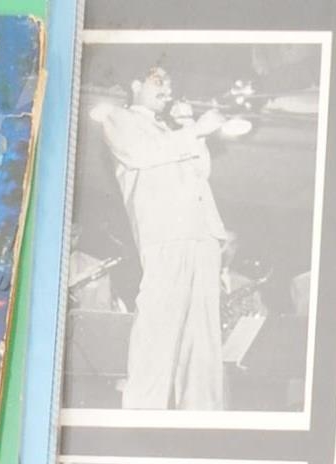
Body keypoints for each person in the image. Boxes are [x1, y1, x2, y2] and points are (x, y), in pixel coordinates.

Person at [93, 65, 234, 410]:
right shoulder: (118, 118)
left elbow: (202, 170)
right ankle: (143, 409)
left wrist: (189, 125)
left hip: (203, 233)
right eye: (159, 80)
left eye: (170, 82)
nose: (167, 89)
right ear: (135, 83)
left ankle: (202, 413)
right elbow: (140, 153)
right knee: (159, 322)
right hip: (166, 233)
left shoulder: (172, 131)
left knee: (203, 335)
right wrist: (196, 130)